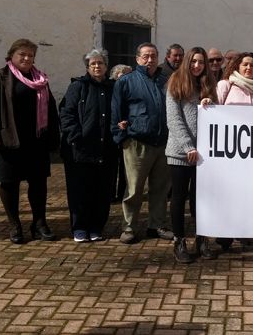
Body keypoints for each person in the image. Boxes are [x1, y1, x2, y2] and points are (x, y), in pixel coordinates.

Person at [0, 38, 60, 244]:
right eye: (22, 54)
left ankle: (39, 223)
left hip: (36, 141)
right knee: (10, 184)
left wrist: (53, 137)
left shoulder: (40, 80)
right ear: (11, 56)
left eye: (30, 55)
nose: (26, 58)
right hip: (8, 140)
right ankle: (14, 225)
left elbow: (50, 109)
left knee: (39, 184)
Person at [111, 43, 173, 244]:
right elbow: (116, 112)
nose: (150, 60)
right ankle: (129, 227)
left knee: (160, 188)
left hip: (163, 143)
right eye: (146, 56)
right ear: (137, 58)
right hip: (137, 142)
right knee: (134, 189)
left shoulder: (166, 81)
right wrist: (122, 137)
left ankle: (157, 225)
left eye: (153, 56)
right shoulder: (126, 81)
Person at [165, 47, 218, 263]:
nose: (197, 66)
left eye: (201, 62)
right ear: (187, 62)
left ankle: (201, 238)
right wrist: (188, 147)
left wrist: (209, 104)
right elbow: (174, 119)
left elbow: (216, 116)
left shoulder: (207, 84)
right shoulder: (175, 83)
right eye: (194, 62)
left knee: (200, 199)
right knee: (178, 198)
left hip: (203, 155)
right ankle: (179, 240)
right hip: (180, 153)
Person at [215, 52, 253, 252]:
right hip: (229, 153)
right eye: (245, 65)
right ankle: (225, 233)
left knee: (249, 193)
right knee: (229, 193)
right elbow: (215, 113)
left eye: (252, 65)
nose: (249, 68)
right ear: (237, 66)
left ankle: (245, 230)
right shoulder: (225, 85)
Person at [59, 49, 117, 242]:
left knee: (102, 191)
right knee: (79, 191)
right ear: (87, 67)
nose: (97, 66)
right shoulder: (78, 86)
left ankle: (96, 227)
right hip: (80, 150)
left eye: (100, 63)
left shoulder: (113, 88)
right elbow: (66, 114)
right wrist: (76, 136)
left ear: (106, 66)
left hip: (106, 149)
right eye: (93, 64)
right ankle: (79, 227)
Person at [109, 64, 132, 203]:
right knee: (112, 167)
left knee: (125, 167)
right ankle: (111, 193)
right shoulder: (110, 88)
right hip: (112, 132)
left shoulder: (131, 91)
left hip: (127, 131)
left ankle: (122, 192)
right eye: (123, 75)